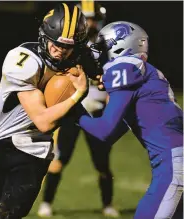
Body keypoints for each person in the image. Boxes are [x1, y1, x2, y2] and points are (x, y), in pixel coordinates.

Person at [0, 3, 105, 219]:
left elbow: (101, 72)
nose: (61, 51)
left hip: (35, 152)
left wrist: (103, 79)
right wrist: (78, 94)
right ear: (44, 36)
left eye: (68, 46)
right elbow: (44, 122)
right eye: (56, 44)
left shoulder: (79, 55)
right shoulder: (24, 60)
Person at [78, 21, 183, 219]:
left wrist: (72, 109)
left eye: (102, 48)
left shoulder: (124, 66)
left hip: (173, 164)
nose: (98, 54)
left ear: (118, 46)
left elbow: (103, 130)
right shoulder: (147, 73)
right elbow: (110, 135)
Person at [37, 2, 120, 218]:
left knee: (102, 161)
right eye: (88, 18)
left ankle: (107, 204)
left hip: (97, 110)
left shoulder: (105, 44)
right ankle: (46, 203)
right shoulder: (69, 45)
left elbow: (110, 77)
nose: (91, 23)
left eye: (93, 18)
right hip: (73, 108)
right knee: (60, 157)